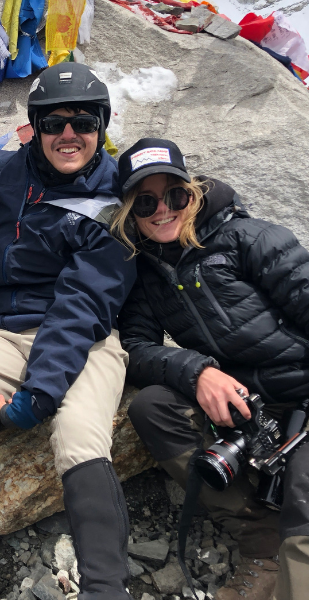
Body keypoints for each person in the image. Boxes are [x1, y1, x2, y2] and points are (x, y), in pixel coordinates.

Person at [0, 62, 137, 600]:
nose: (69, 136)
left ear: (100, 128)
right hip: (4, 331)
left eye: (83, 123)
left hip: (87, 337)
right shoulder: (5, 171)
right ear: (34, 128)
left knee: (79, 432)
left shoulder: (114, 200)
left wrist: (40, 391)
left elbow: (83, 303)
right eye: (54, 123)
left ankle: (106, 587)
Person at [112, 138, 309, 600]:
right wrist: (198, 372)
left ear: (193, 192)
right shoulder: (146, 272)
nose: (162, 210)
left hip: (301, 391)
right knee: (152, 407)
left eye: (174, 195)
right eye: (145, 202)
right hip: (247, 405)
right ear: (129, 213)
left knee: (302, 488)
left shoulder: (251, 238)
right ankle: (261, 547)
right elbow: (136, 347)